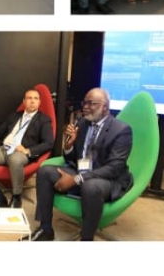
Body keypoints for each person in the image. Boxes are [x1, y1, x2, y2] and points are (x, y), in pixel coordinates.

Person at [26, 88, 133, 241]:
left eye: (91, 103)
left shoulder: (121, 130)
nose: (85, 107)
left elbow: (114, 168)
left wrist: (77, 179)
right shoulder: (82, 123)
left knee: (90, 186)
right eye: (85, 103)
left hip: (107, 179)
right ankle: (45, 229)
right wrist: (69, 145)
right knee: (45, 172)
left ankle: (86, 238)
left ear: (105, 107)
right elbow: (72, 158)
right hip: (81, 171)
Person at [0, 88, 54, 208]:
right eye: (29, 98)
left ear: (39, 102)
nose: (32, 101)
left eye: (35, 99)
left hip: (20, 153)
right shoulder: (15, 116)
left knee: (14, 159)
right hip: (4, 149)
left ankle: (16, 196)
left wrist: (28, 151)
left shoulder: (43, 120)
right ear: (24, 101)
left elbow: (48, 143)